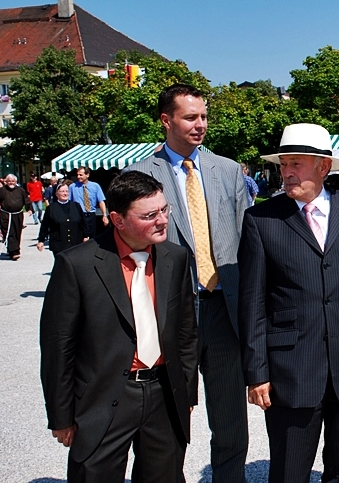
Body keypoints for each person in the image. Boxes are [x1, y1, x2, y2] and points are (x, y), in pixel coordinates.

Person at [239, 123, 339, 483]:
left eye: (296, 163)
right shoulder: (261, 220)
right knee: (289, 472)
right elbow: (251, 304)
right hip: (290, 372)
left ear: (323, 167)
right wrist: (257, 372)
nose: (287, 172)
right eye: (283, 164)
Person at [126, 83, 250, 482]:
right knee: (168, 416)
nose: (201, 125)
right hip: (172, 315)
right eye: (191, 117)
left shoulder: (227, 171)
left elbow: (248, 242)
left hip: (224, 310)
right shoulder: (142, 175)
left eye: (204, 117)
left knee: (230, 420)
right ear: (166, 120)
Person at [40, 171, 197, 482]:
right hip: (104, 398)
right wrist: (61, 416)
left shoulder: (175, 257)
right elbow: (59, 346)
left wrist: (186, 392)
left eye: (164, 210)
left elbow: (186, 333)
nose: (162, 220)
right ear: (118, 219)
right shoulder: (78, 265)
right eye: (150, 215)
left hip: (164, 393)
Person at [36, 184, 88, 255]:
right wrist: (41, 240)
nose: (65, 193)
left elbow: (83, 222)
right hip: (59, 244)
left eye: (67, 191)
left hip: (76, 243)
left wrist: (85, 236)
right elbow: (45, 226)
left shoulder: (76, 206)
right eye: (62, 191)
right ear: (57, 193)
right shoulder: (51, 209)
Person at [0, 174, 30, 260]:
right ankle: (14, 252)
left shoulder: (21, 190)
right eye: (9, 181)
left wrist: (29, 209)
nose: (11, 182)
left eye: (13, 181)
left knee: (17, 232)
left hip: (17, 214)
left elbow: (26, 200)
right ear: (6, 182)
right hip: (5, 215)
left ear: (16, 182)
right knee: (8, 232)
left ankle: (14, 250)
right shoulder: (2, 190)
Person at [69, 167, 109, 238]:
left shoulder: (95, 186)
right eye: (77, 175)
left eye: (81, 175)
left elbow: (101, 201)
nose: (78, 177)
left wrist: (104, 215)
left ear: (87, 175)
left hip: (91, 216)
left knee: (91, 237)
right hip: (78, 216)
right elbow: (69, 203)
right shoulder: (72, 187)